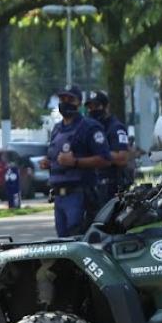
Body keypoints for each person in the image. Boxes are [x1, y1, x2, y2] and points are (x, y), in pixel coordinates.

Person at [39, 84, 110, 237]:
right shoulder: (57, 129)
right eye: (62, 98)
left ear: (78, 102)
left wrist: (76, 162)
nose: (65, 102)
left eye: (70, 99)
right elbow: (55, 157)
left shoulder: (89, 127)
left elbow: (105, 159)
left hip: (79, 195)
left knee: (77, 238)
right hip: (59, 197)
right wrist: (48, 162)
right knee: (62, 243)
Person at [85, 91, 131, 210]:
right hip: (91, 185)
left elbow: (122, 157)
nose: (92, 110)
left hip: (110, 186)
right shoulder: (90, 128)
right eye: (90, 107)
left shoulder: (115, 127)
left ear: (106, 107)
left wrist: (100, 153)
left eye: (96, 106)